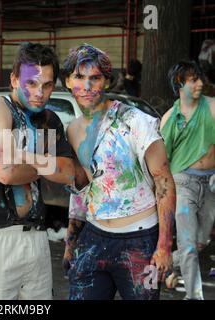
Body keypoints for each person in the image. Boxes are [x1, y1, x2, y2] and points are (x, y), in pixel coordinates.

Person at [0, 42, 76, 300]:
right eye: (31, 83)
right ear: (14, 79)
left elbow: (69, 172)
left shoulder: (48, 120)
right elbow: (6, 171)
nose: (39, 92)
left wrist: (24, 156)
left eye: (47, 85)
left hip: (36, 237)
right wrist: (46, 163)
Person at [63, 44, 175, 300]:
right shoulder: (73, 130)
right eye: (79, 77)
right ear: (68, 81)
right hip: (93, 236)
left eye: (95, 78)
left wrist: (164, 246)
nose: (87, 86)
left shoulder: (136, 120)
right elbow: (81, 187)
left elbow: (164, 181)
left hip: (139, 240)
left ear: (107, 81)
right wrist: (71, 242)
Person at [160, 61, 215, 300]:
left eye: (200, 79)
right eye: (193, 80)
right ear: (179, 84)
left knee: (200, 242)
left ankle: (157, 267)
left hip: (210, 183)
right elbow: (161, 162)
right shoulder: (169, 118)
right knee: (189, 245)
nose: (200, 84)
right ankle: (194, 296)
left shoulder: (212, 107)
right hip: (182, 183)